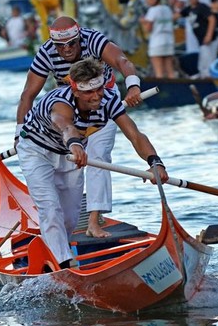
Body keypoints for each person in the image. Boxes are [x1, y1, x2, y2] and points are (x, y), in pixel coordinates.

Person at [17, 57, 167, 268]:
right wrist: (76, 145)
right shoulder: (60, 102)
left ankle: (56, 252)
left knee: (69, 219)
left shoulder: (108, 100)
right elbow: (65, 126)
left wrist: (155, 162)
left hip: (71, 155)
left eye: (99, 89)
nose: (96, 96)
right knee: (50, 208)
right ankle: (64, 265)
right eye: (88, 92)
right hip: (36, 151)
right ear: (75, 90)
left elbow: (135, 135)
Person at [16, 16, 144, 239]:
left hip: (103, 99)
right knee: (69, 158)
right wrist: (19, 135)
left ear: (79, 38)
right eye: (60, 46)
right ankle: (55, 214)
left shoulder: (92, 39)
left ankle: (93, 222)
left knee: (98, 155)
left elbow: (122, 61)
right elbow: (28, 95)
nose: (66, 50)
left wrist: (133, 86)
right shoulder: (46, 52)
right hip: (68, 106)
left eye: (71, 44)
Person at [178, 0, 218, 78]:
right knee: (203, 63)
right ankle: (204, 78)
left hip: (210, 39)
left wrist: (209, 35)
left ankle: (209, 80)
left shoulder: (202, 7)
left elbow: (212, 19)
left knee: (208, 62)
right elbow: (177, 15)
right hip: (201, 40)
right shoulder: (188, 9)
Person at [140, 0, 176, 78]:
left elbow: (148, 29)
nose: (147, 0)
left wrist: (143, 22)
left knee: (159, 73)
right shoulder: (167, 8)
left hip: (157, 42)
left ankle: (162, 92)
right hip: (169, 41)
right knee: (170, 71)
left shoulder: (153, 10)